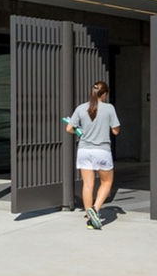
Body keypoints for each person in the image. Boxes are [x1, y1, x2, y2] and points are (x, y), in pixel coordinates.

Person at [66, 81, 120, 230]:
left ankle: (90, 218)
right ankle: (95, 209)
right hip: (102, 150)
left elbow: (69, 128)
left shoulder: (81, 108)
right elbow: (116, 131)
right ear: (105, 94)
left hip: (84, 150)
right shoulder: (109, 108)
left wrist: (80, 131)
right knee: (107, 182)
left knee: (88, 184)